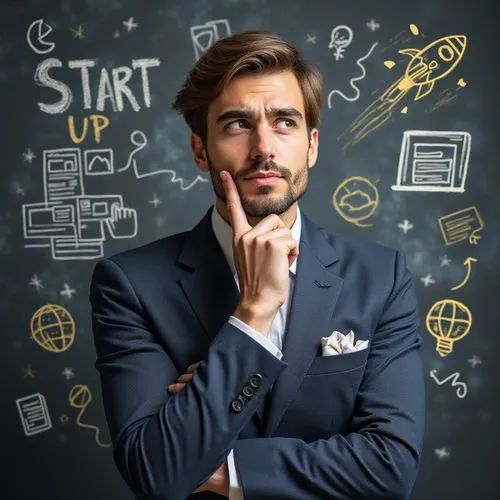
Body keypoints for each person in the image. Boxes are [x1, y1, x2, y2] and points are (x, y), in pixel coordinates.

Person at [90, 30, 425, 499]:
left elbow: (390, 467)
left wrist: (222, 466)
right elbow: (159, 471)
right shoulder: (130, 284)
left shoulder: (381, 277)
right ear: (200, 151)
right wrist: (254, 311)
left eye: (284, 122)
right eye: (236, 124)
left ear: (311, 144)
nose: (264, 147)